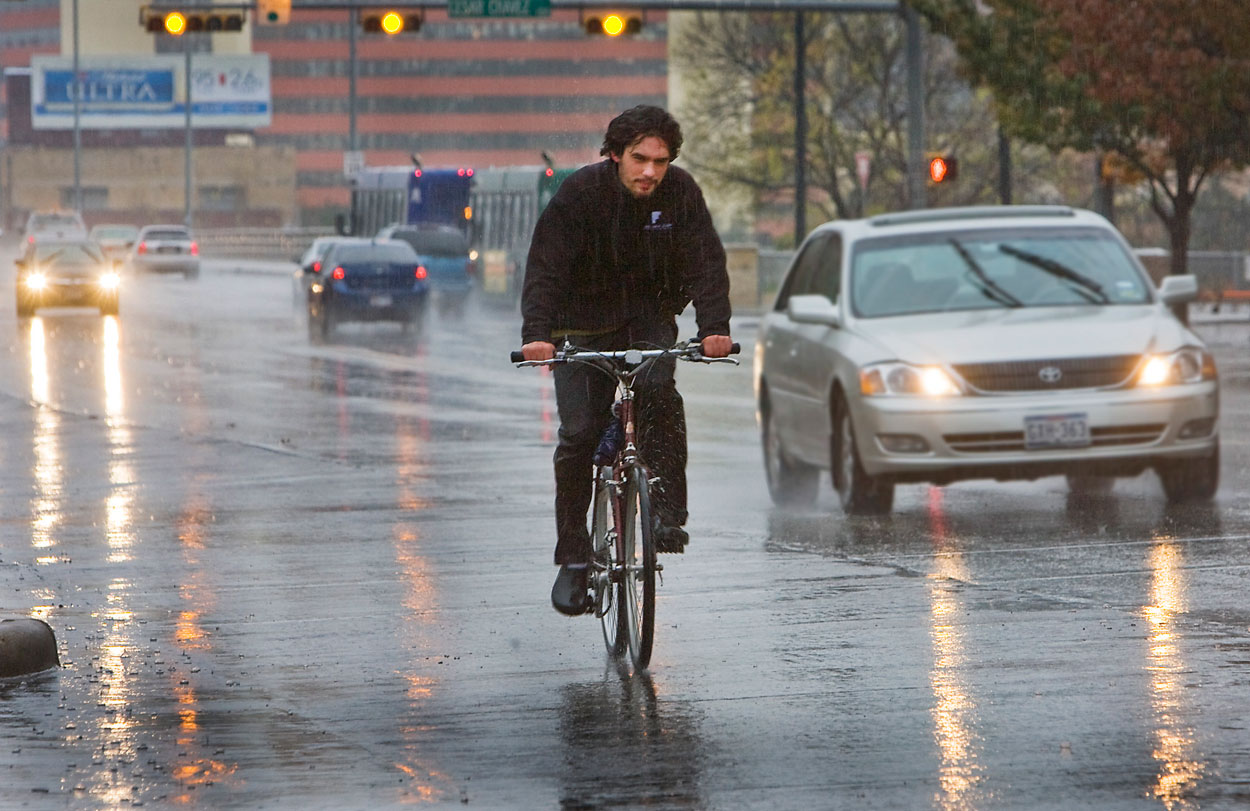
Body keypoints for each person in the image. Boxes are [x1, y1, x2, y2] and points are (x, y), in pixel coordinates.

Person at [520, 105, 734, 616]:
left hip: (648, 320)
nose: (650, 172)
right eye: (640, 159)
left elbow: (706, 262)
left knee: (660, 394)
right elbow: (546, 267)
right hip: (580, 324)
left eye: (661, 161)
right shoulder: (580, 195)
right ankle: (574, 559)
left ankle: (667, 513)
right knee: (580, 434)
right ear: (615, 154)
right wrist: (537, 335)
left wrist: (715, 328)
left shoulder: (680, 194)